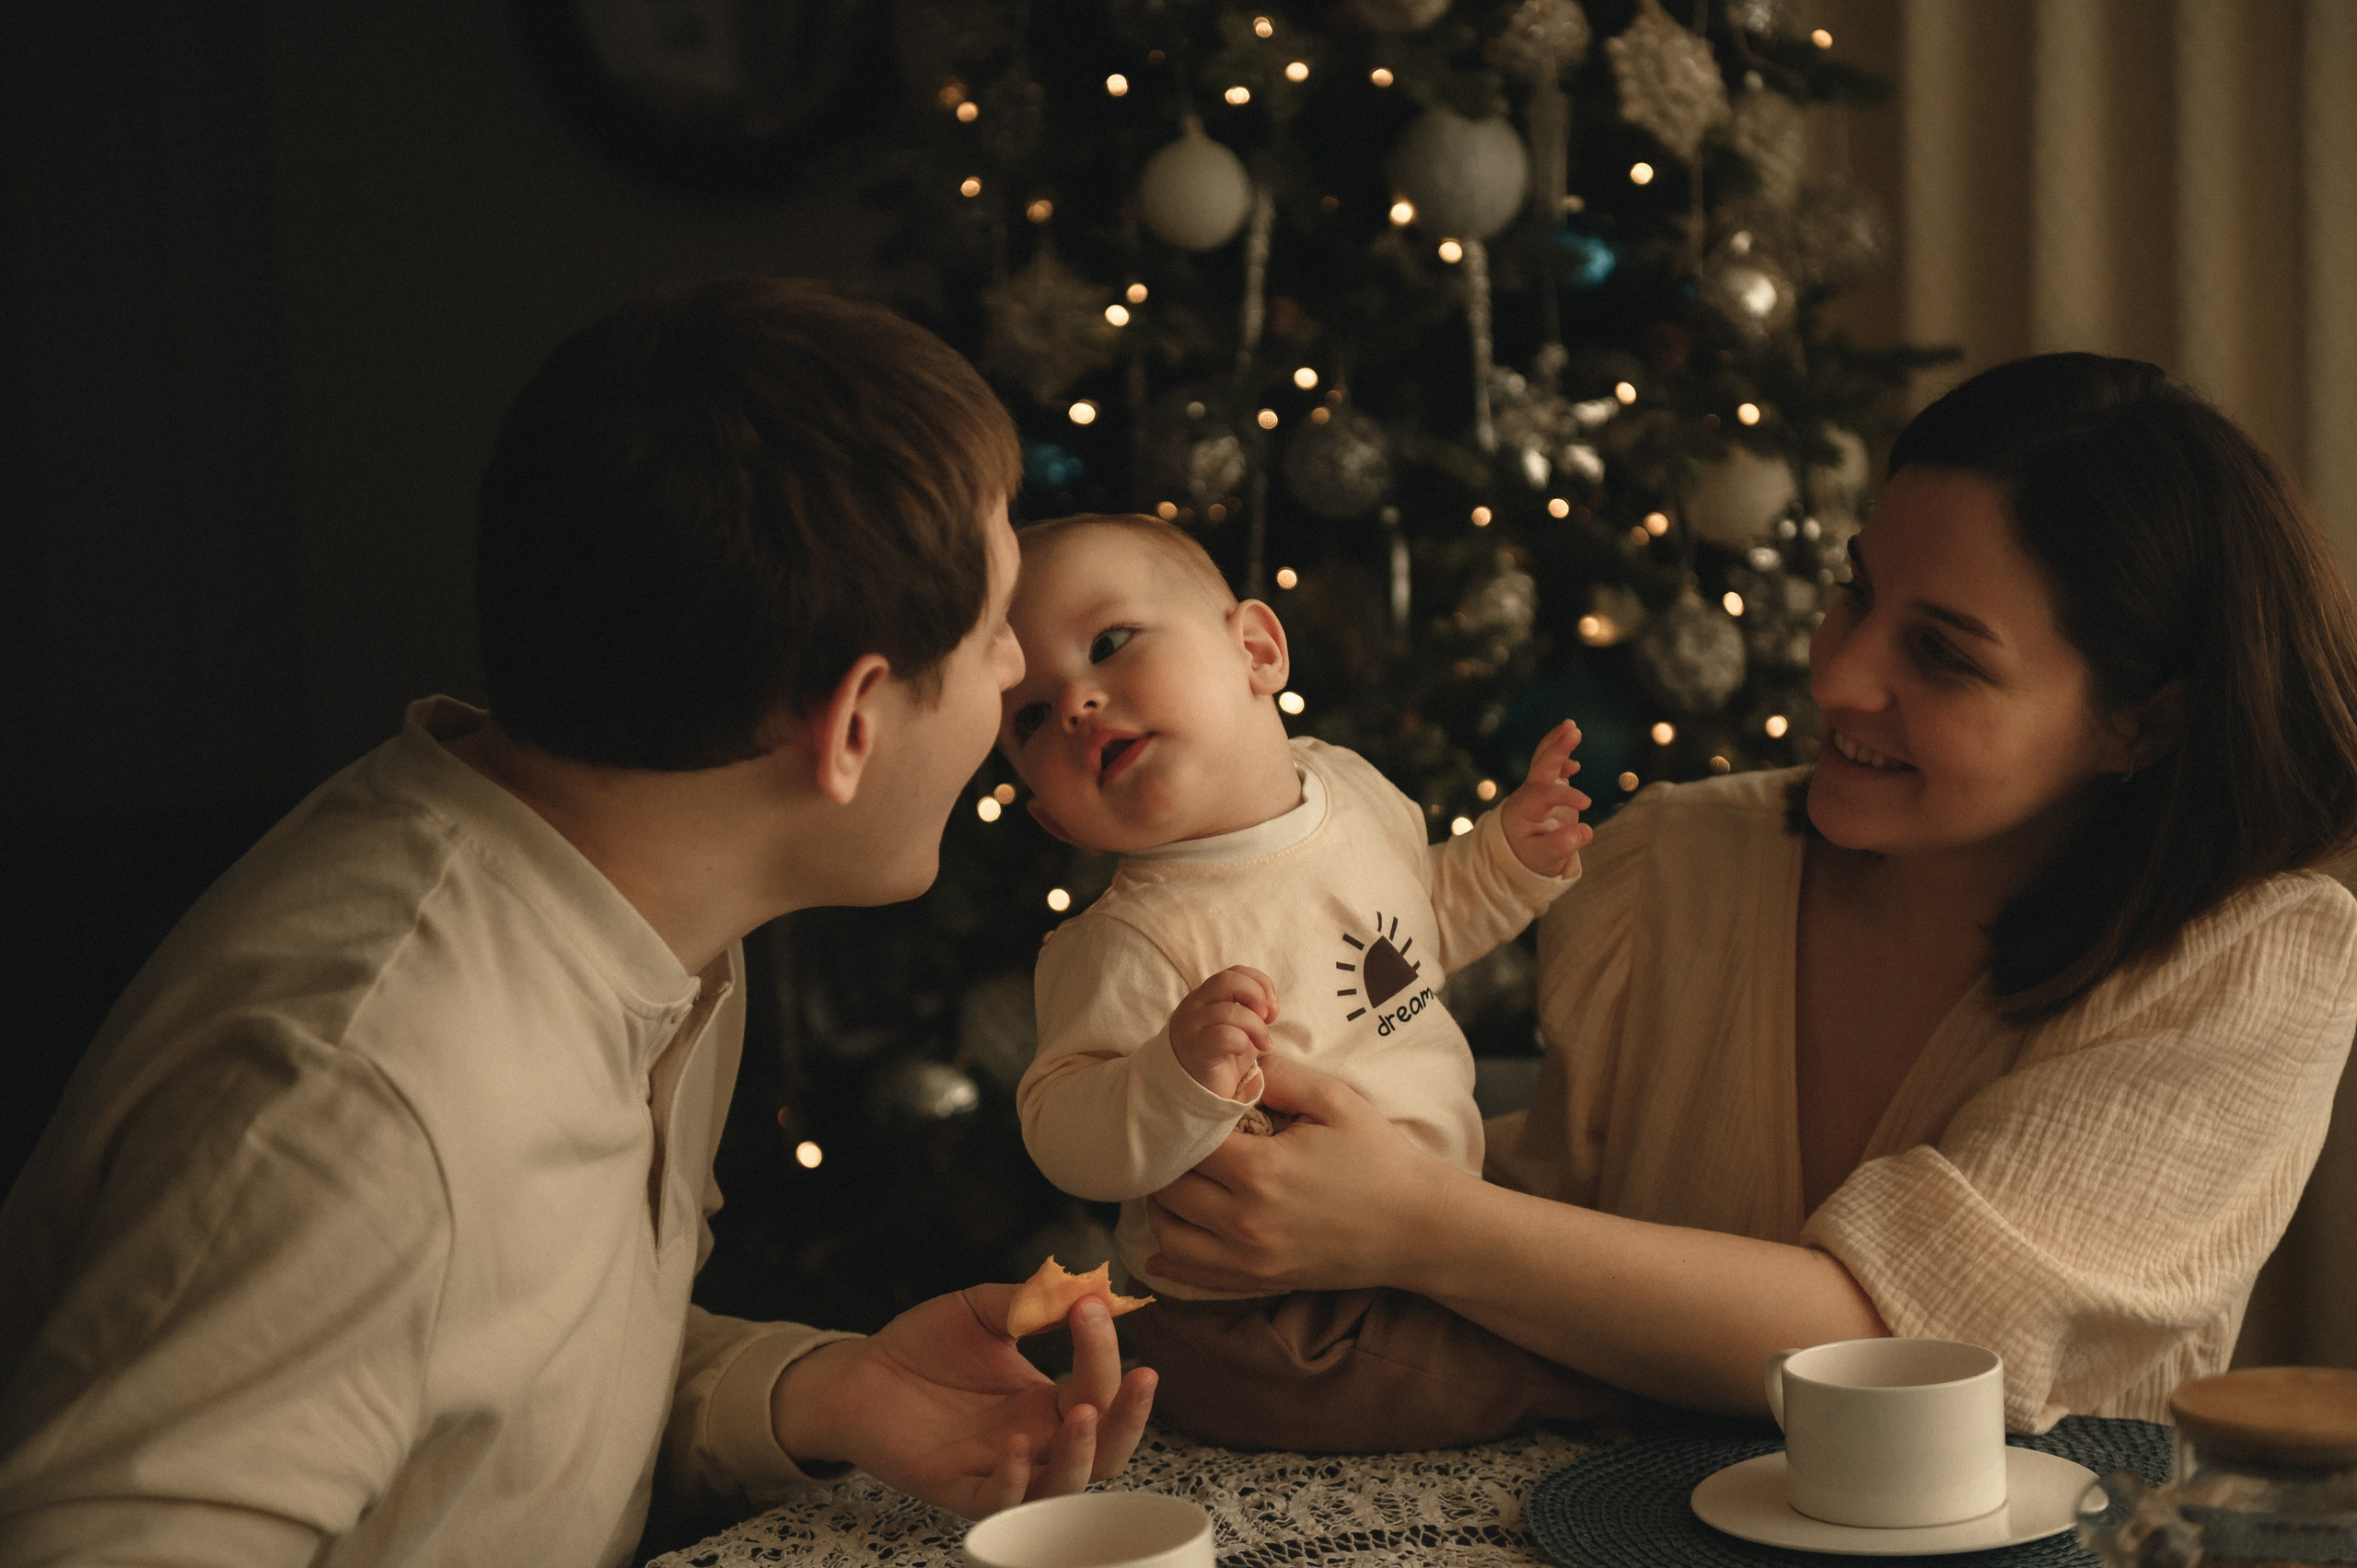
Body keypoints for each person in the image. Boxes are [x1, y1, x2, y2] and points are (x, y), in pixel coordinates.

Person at [0, 278, 1155, 1568]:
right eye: (993, 630)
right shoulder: (363, 1100)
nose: (1015, 674)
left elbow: (469, 1355)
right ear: (853, 724)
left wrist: (816, 1390)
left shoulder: (648, 904)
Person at [1141, 354, 2357, 1435]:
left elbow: (1898, 1350)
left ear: (2139, 721)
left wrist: (1416, 1222)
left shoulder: (2254, 962)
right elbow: (1547, 1250)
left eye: (1941, 651)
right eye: (1853, 588)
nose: (1837, 669)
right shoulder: (1674, 865)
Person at [998, 513, 1611, 1451]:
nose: (1077, 702)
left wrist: (1504, 859)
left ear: (1255, 649)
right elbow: (1060, 1127)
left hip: (1415, 1232)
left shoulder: (1352, 788)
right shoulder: (1133, 939)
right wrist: (1171, 1075)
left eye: (1109, 642)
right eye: (1030, 716)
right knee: (1520, 1362)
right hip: (1267, 1308)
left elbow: (1416, 929)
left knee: (1549, 1284)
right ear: (1057, 823)